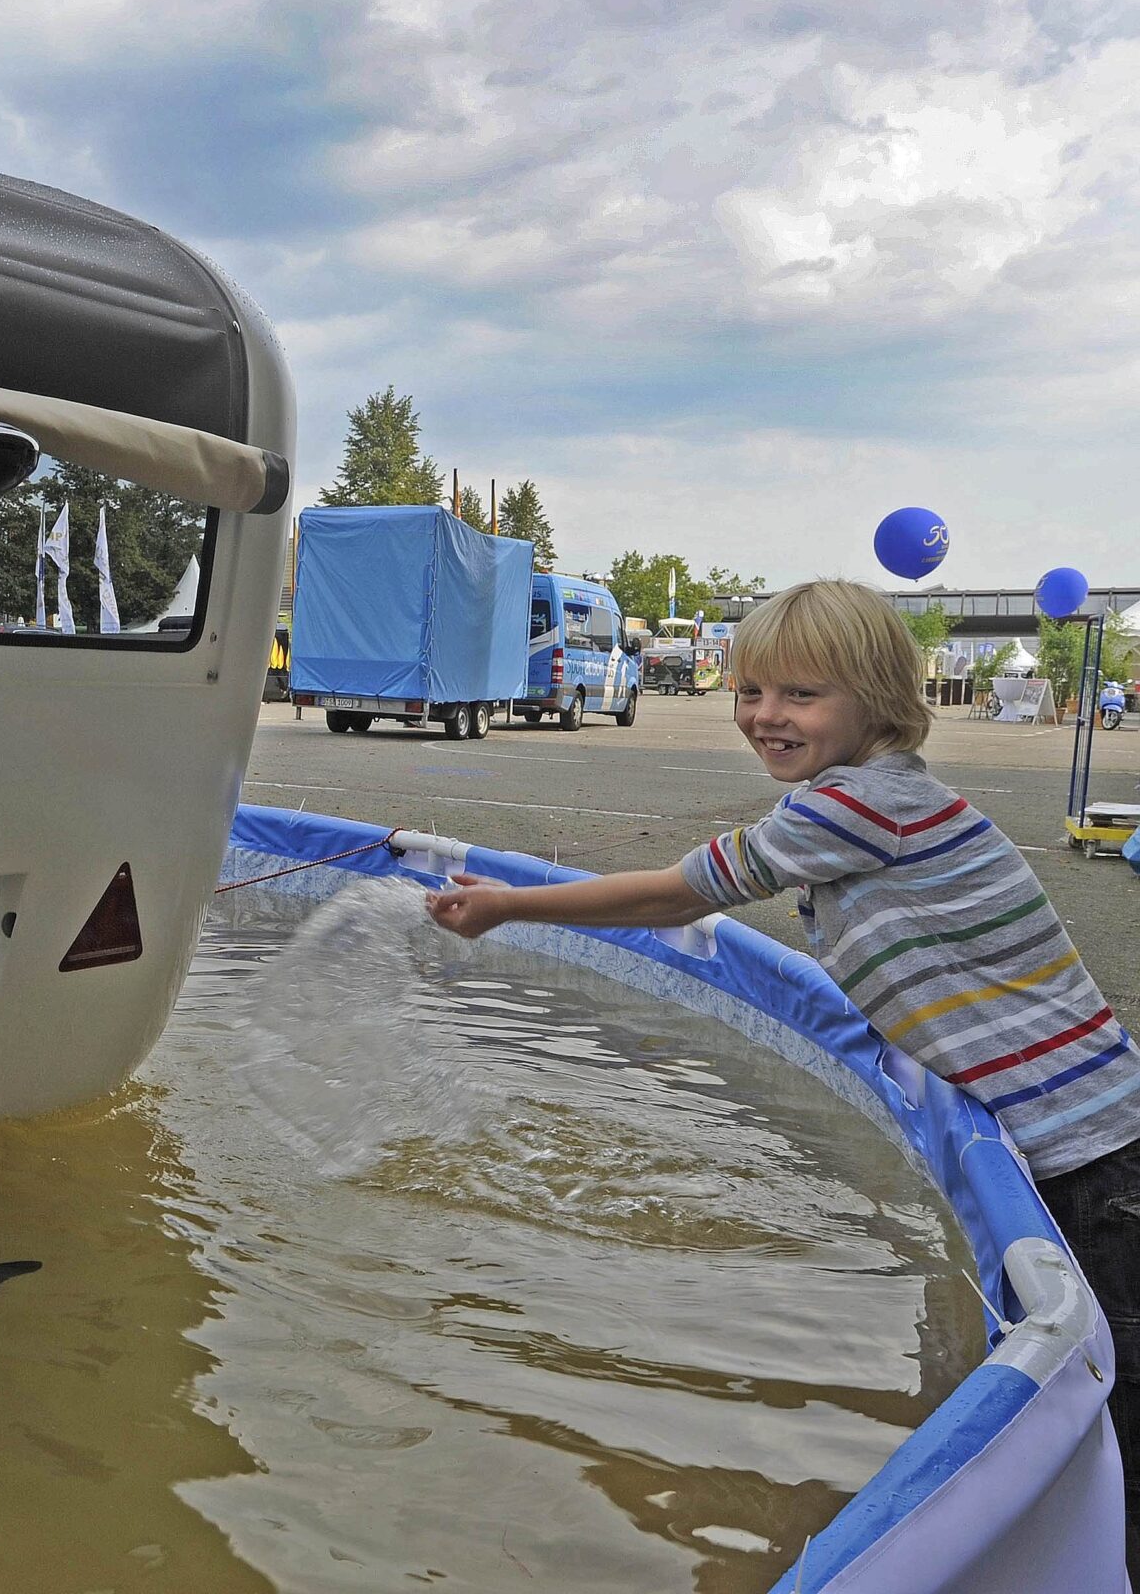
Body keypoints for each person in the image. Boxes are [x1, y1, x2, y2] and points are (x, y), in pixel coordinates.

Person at [424, 578, 1140, 1555]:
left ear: (876, 699)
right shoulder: (879, 794)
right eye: (751, 688)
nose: (764, 714)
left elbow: (682, 895)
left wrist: (508, 904)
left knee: (1111, 1402)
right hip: (1087, 1141)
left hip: (1098, 1157)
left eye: (799, 694)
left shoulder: (852, 806)